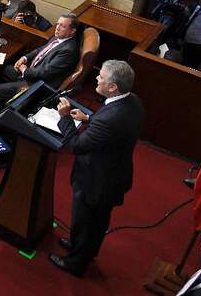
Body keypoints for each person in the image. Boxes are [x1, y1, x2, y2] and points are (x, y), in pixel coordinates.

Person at [49, 60, 144, 277]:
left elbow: (77, 146)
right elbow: (112, 127)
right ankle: (82, 248)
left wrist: (64, 118)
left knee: (86, 221)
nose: (97, 79)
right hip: (115, 174)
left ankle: (75, 263)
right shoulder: (133, 101)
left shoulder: (110, 118)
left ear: (113, 87)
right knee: (96, 222)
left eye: (101, 77)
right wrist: (89, 118)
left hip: (97, 181)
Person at [0, 13, 81, 112]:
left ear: (72, 31)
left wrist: (24, 69)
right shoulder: (58, 38)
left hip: (36, 85)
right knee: (0, 69)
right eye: (57, 24)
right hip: (30, 74)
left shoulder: (68, 51)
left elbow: (42, 74)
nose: (57, 28)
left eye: (62, 26)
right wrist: (24, 58)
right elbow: (41, 50)